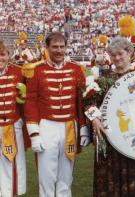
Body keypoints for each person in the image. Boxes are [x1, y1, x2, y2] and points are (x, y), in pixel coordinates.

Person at [24, 32, 90, 197]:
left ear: (66, 47)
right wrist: (34, 133)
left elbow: (80, 103)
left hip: (69, 127)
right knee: (46, 174)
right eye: (55, 47)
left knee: (66, 175)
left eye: (62, 47)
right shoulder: (36, 70)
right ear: (47, 48)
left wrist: (82, 128)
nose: (59, 50)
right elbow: (30, 102)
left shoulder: (76, 69)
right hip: (46, 126)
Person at [85, 37, 135, 197]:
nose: (117, 58)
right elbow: (88, 101)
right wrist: (95, 119)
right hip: (108, 137)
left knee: (133, 174)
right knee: (107, 176)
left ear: (129, 53)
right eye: (113, 55)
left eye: (120, 54)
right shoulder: (103, 78)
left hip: (133, 138)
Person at [0, 40, 27, 197]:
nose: (0, 59)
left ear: (8, 55)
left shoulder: (19, 72)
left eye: (2, 54)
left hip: (12, 126)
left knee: (13, 166)